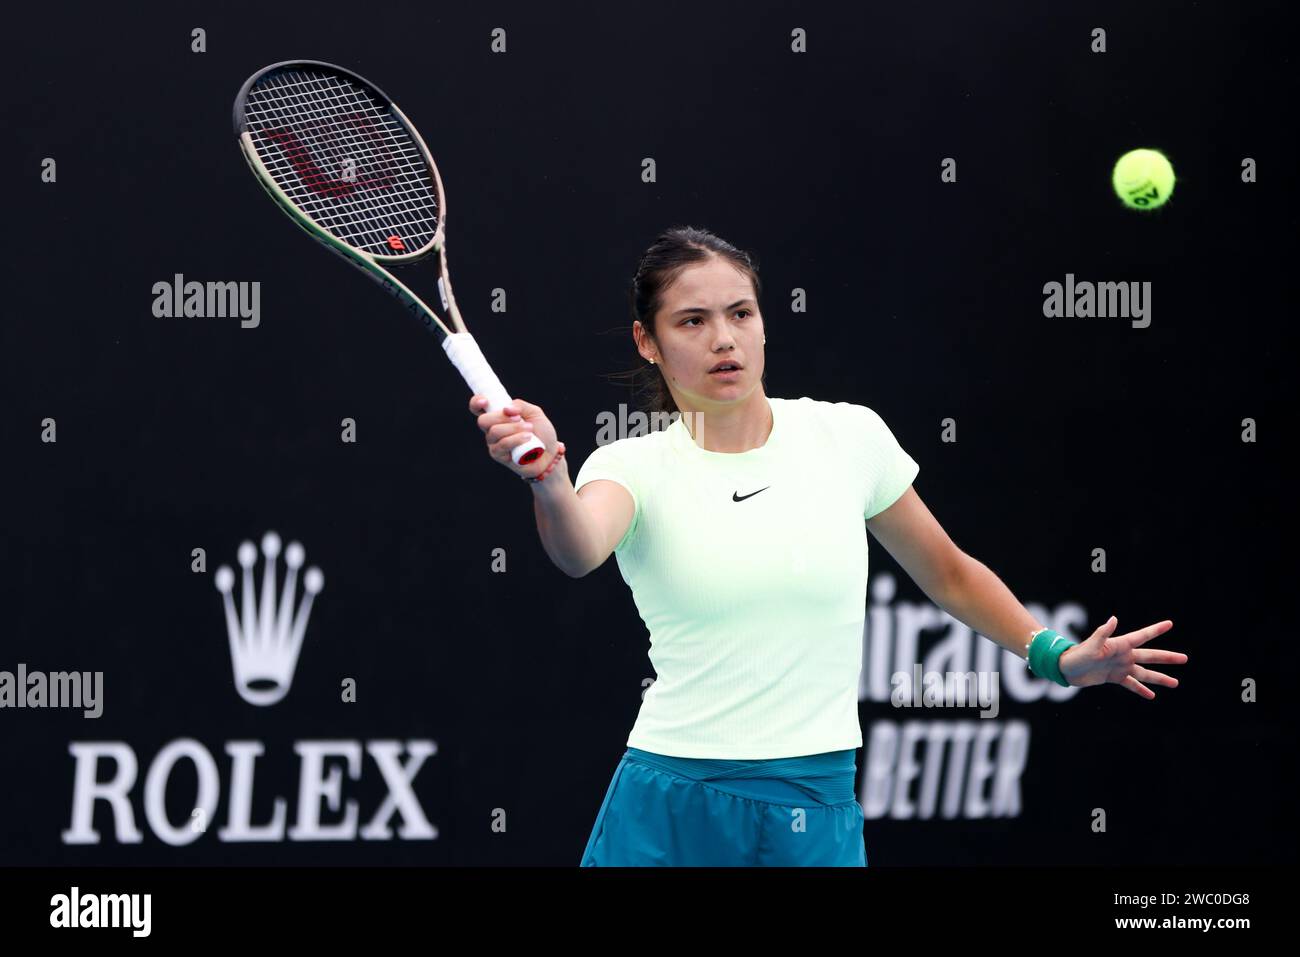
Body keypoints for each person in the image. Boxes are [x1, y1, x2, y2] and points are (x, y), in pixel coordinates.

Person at [468, 226, 1187, 867]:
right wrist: (550, 482)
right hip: (673, 802)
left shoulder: (848, 437)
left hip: (816, 805)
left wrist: (1056, 656)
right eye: (693, 320)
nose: (724, 338)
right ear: (646, 341)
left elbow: (950, 573)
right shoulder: (632, 466)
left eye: (740, 313)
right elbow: (578, 547)